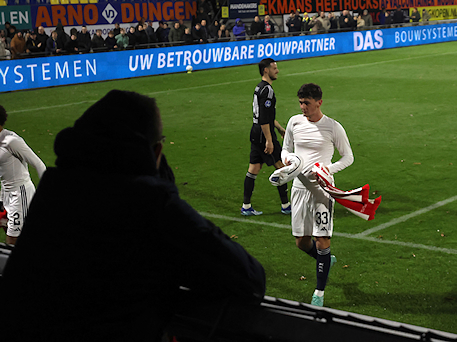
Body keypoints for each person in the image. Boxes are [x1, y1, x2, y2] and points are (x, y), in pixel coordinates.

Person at [2, 90, 266, 341]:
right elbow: (250, 278)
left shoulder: (54, 191)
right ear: (156, 151)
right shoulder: (148, 202)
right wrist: (165, 190)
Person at [281, 83, 354, 306]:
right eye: (300, 103)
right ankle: (326, 261)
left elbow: (348, 157)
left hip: (322, 191)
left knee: (322, 240)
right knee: (301, 242)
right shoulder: (294, 122)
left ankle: (319, 293)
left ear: (319, 103)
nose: (303, 107)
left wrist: (327, 169)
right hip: (299, 189)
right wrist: (288, 159)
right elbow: (285, 149)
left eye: (307, 103)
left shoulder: (333, 127)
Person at [242, 58, 290, 216]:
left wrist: (280, 129)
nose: (277, 71)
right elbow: (264, 118)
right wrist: (269, 140)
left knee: (253, 168)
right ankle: (286, 205)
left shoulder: (259, 87)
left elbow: (266, 116)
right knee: (282, 168)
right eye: (274, 68)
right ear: (266, 70)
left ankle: (246, 206)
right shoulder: (267, 90)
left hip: (255, 131)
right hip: (264, 133)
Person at [0, 105, 46, 246]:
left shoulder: (11, 141)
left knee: (12, 238)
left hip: (20, 194)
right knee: (8, 227)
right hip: (6, 193)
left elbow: (39, 164)